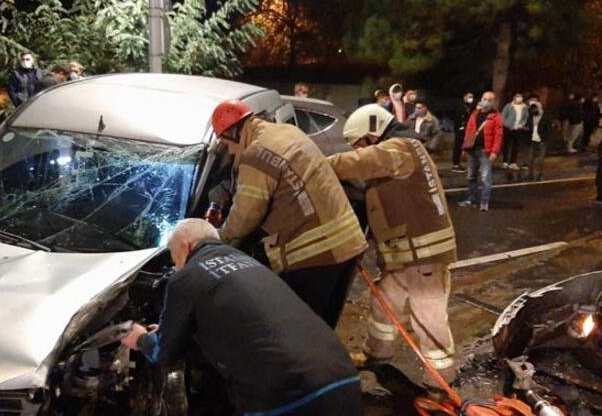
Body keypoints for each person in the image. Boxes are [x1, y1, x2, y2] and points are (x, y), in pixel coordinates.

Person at [120, 219, 362, 415]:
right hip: (344, 379)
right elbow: (242, 327)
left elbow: (163, 353)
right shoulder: (251, 264)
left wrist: (140, 339)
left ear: (185, 247)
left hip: (286, 395)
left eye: (174, 259)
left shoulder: (186, 277)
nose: (175, 267)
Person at [328, 103, 458, 386]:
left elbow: (361, 162)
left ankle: (441, 382)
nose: (357, 150)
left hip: (423, 256)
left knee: (428, 318)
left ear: (372, 132)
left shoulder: (401, 147)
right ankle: (377, 355)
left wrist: (319, 164)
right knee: (384, 302)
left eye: (359, 144)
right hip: (405, 255)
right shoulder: (403, 148)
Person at [210, 100, 368, 328]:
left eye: (226, 143)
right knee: (322, 328)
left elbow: (246, 215)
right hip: (346, 242)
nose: (230, 150)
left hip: (313, 254)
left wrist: (218, 238)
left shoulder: (256, 153)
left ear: (233, 132)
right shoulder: (288, 132)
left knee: (298, 329)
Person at [459, 91, 503, 212]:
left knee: (485, 178)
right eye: (484, 99)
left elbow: (498, 135)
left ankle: (484, 202)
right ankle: (471, 199)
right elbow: (469, 131)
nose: (486, 102)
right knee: (471, 176)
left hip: (486, 151)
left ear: (493, 102)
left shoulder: (496, 117)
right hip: (472, 149)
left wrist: (494, 151)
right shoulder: (475, 114)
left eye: (489, 100)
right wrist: (464, 147)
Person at [500, 93, 528, 170]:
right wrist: (507, 124)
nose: (519, 98)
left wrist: (522, 124)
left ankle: (513, 162)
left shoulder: (524, 107)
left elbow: (525, 117)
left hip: (518, 128)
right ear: (514, 98)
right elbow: (503, 116)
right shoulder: (509, 106)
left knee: (516, 145)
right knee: (506, 145)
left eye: (520, 97)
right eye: (517, 97)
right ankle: (505, 161)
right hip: (508, 128)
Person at [526, 101, 551, 181]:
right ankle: (530, 174)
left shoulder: (545, 118)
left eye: (535, 108)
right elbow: (528, 126)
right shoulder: (530, 117)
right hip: (532, 140)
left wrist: (544, 139)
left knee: (540, 159)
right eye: (532, 109)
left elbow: (549, 130)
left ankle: (540, 175)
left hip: (541, 141)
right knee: (530, 159)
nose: (533, 110)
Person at [452, 92, 476, 173]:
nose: (471, 99)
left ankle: (469, 163)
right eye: (469, 97)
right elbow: (458, 117)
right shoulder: (460, 106)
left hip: (468, 128)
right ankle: (455, 164)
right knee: (458, 146)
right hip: (460, 128)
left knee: (469, 146)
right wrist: (459, 127)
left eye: (472, 97)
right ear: (464, 97)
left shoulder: (471, 107)